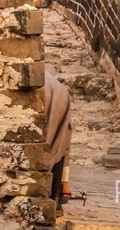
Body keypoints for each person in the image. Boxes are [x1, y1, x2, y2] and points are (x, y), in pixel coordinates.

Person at [43, 70, 74, 201]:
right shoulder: (58, 86)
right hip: (60, 96)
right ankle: (56, 194)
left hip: (47, 93)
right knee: (59, 141)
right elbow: (64, 147)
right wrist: (65, 184)